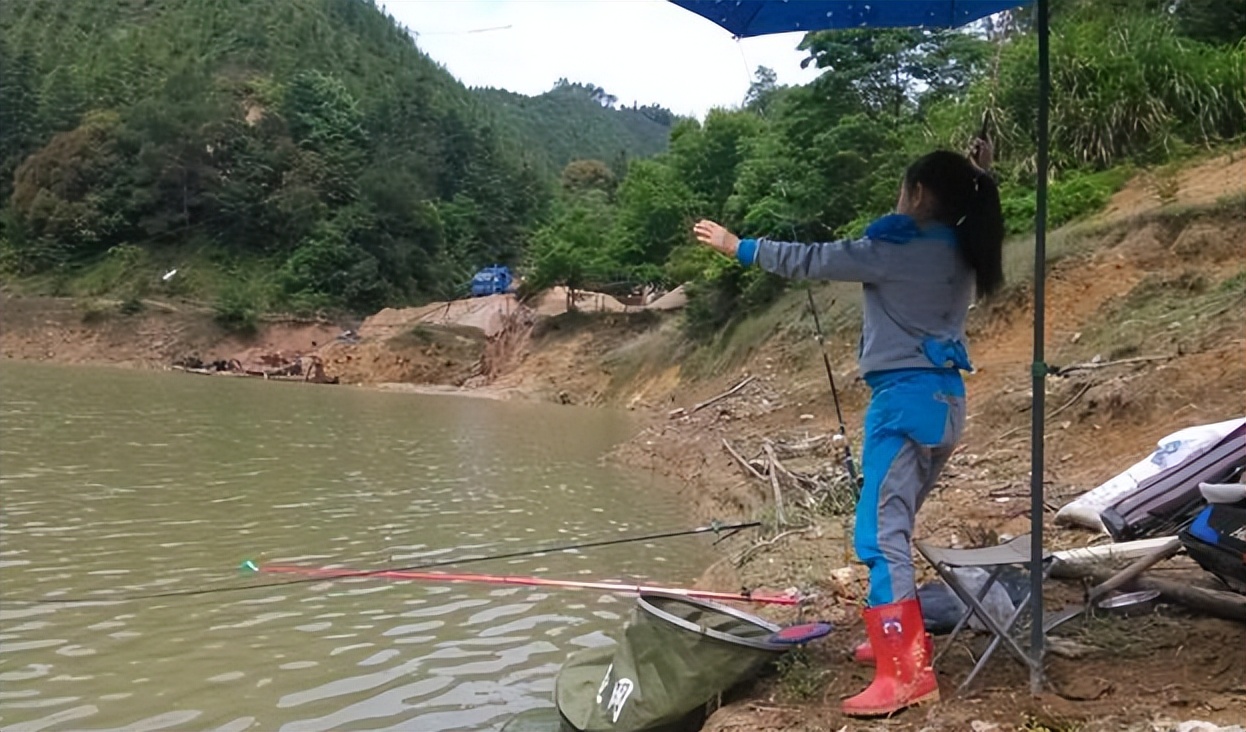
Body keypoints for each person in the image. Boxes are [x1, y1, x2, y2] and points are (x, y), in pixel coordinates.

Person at [692, 142, 1004, 718]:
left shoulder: (893, 248)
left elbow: (813, 259)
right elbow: (972, 201)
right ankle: (895, 639)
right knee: (897, 524)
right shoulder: (964, 243)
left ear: (915, 194)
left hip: (904, 404)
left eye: (903, 187)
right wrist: (979, 174)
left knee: (881, 536)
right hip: (945, 402)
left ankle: (905, 672)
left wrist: (739, 247)